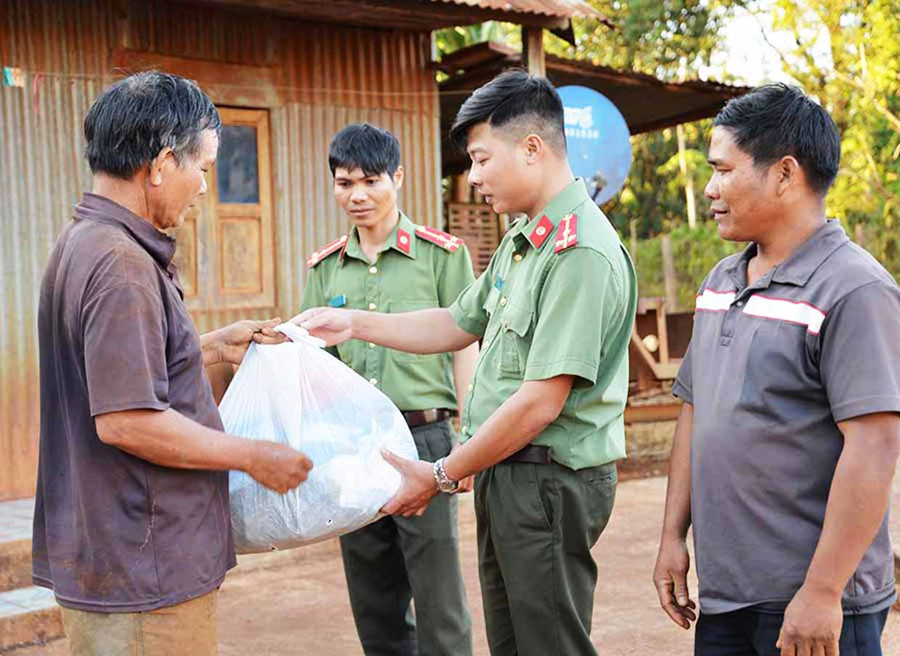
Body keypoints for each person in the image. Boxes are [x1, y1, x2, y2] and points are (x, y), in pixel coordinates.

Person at [294, 71, 637, 655]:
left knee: (547, 644)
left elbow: (540, 402)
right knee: (512, 643)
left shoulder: (578, 251)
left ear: (532, 148)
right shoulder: (525, 240)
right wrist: (352, 323)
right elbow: (457, 322)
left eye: (481, 160)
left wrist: (441, 472)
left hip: (547, 479)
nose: (472, 177)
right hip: (508, 470)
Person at [34, 71, 312, 656]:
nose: (205, 187)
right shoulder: (121, 265)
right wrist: (255, 456)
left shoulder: (85, 241)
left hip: (115, 556)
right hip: (144, 569)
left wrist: (209, 347)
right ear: (161, 164)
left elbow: (113, 372)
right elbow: (127, 420)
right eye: (203, 168)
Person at [652, 83, 900, 656]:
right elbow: (695, 411)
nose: (711, 189)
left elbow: (875, 447)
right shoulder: (720, 281)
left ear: (785, 173)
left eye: (723, 170)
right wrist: (671, 536)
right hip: (727, 596)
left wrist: (822, 591)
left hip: (810, 604)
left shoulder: (854, 289)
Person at [300, 123, 475, 656]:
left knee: (438, 593)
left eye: (370, 181)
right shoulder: (325, 267)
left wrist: (470, 433)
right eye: (344, 183)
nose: (357, 195)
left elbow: (466, 342)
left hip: (425, 440)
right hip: (353, 445)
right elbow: (316, 361)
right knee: (373, 596)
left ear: (397, 177)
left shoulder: (442, 255)